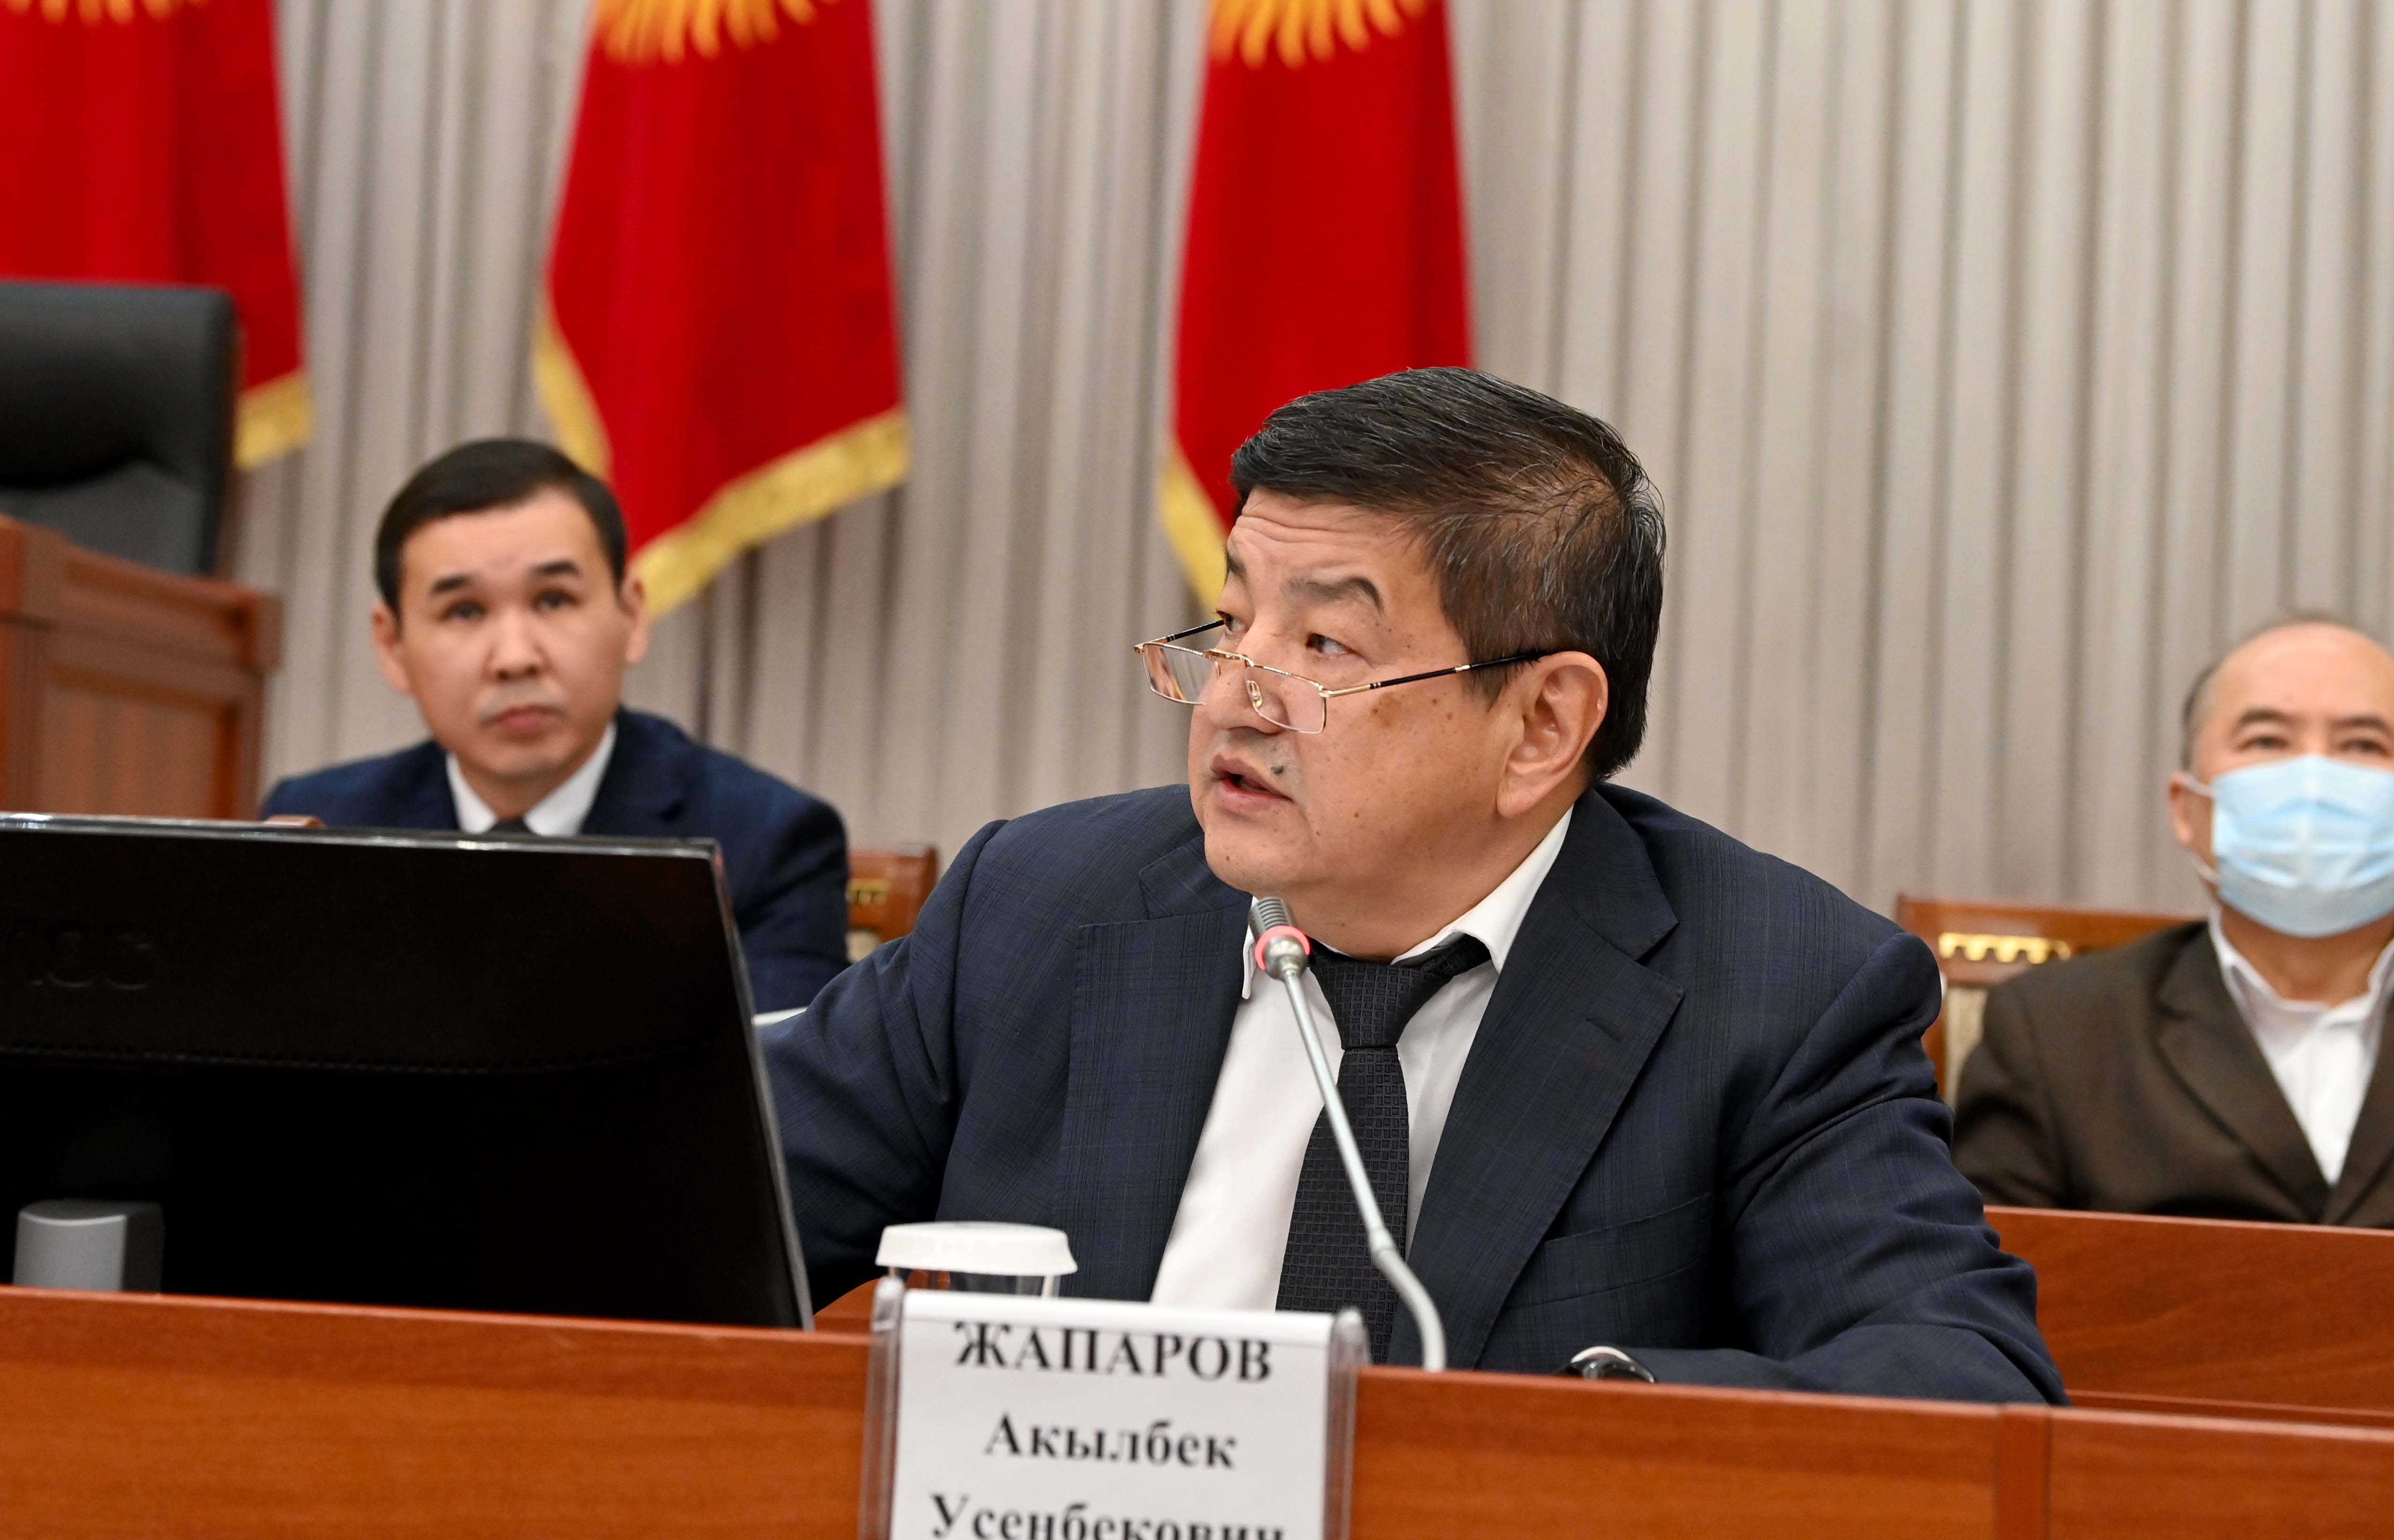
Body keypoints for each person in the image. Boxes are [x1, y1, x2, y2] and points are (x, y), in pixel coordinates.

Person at [766, 368, 2059, 1400]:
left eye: (1324, 643)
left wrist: (1553, 1435)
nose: (1234, 699)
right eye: (1232, 622)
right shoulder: (1040, 904)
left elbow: (1958, 1383)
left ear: (1542, 726)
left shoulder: (1775, 992)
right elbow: (704, 1231)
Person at [261, 439, 850, 1012]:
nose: (516, 657)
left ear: (631, 615)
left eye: (553, 600)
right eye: (465, 611)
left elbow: (776, 1077)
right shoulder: (320, 825)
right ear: (392, 645)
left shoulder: (770, 842)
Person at [1955, 619, 2394, 1231]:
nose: (2313, 781)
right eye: (2266, 740)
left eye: (2363, 746)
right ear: (2188, 808)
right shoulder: (2055, 1031)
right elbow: (1983, 1270)